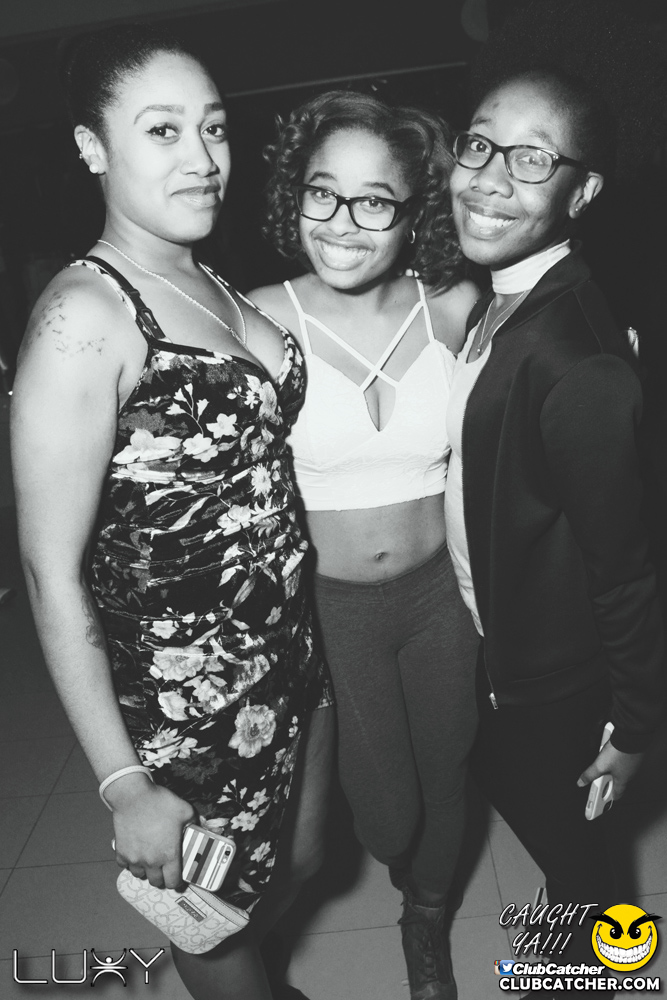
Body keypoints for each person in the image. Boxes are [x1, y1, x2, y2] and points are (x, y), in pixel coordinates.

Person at [11, 24, 333, 1000]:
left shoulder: (205, 274)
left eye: (213, 128)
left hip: (291, 662)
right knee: (212, 920)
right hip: (188, 713)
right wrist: (124, 784)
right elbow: (50, 574)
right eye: (161, 130)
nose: (200, 158)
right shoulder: (86, 316)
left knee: (302, 862)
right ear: (92, 147)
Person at [445, 3, 665, 989]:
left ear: (582, 192)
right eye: (479, 144)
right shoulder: (505, 301)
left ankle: (598, 969)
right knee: (528, 810)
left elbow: (625, 563)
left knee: (578, 858)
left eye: (532, 160)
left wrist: (634, 723)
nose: (490, 176)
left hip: (554, 675)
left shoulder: (573, 357)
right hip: (499, 640)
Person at [250, 90, 480, 1000]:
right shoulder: (257, 320)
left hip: (441, 596)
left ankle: (424, 920)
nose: (342, 222)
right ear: (295, 195)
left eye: (373, 200)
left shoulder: (452, 307)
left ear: (412, 210)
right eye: (322, 192)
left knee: (449, 768)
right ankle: (402, 874)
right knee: (387, 813)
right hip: (331, 608)